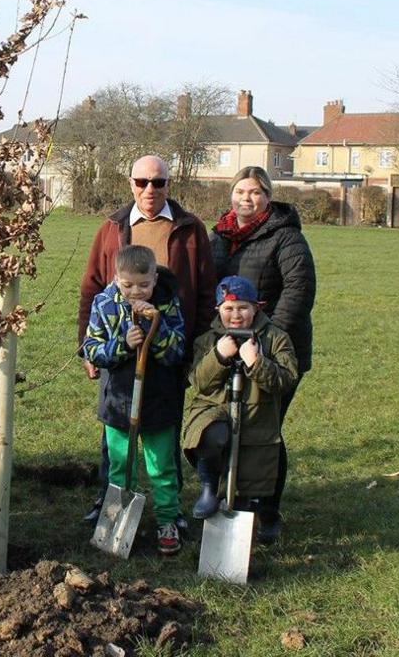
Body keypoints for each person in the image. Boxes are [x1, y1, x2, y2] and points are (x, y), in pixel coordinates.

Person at [77, 154, 216, 524]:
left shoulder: (190, 228)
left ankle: (169, 512)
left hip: (168, 351)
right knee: (117, 440)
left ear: (169, 185)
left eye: (158, 182)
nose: (150, 189)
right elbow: (91, 288)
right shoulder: (112, 227)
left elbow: (204, 292)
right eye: (142, 182)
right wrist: (87, 349)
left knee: (161, 442)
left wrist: (194, 347)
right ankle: (111, 505)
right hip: (119, 359)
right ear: (130, 183)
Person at [210, 165, 316, 543]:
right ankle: (235, 496)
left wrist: (266, 339)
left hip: (275, 350)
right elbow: (211, 288)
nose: (246, 199)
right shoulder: (220, 237)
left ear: (268, 196)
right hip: (230, 347)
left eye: (254, 192)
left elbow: (298, 290)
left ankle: (268, 509)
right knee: (232, 425)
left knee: (265, 428)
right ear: (231, 195)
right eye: (240, 191)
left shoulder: (286, 237)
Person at [80, 245, 187, 555]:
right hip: (118, 400)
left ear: (154, 278)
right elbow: (93, 349)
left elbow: (176, 351)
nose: (136, 291)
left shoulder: (167, 303)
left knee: (161, 467)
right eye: (127, 285)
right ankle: (118, 518)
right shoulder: (104, 304)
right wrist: (122, 344)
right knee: (120, 464)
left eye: (144, 284)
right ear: (116, 278)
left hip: (158, 400)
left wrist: (156, 329)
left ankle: (167, 520)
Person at [182, 276, 298, 524]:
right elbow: (200, 383)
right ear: (218, 310)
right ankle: (209, 488)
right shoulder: (208, 340)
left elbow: (286, 380)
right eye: (228, 309)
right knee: (211, 436)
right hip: (214, 410)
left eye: (243, 308)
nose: (236, 315)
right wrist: (219, 356)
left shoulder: (275, 339)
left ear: (257, 307)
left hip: (257, 415)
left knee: (250, 475)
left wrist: (256, 363)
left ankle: (252, 517)